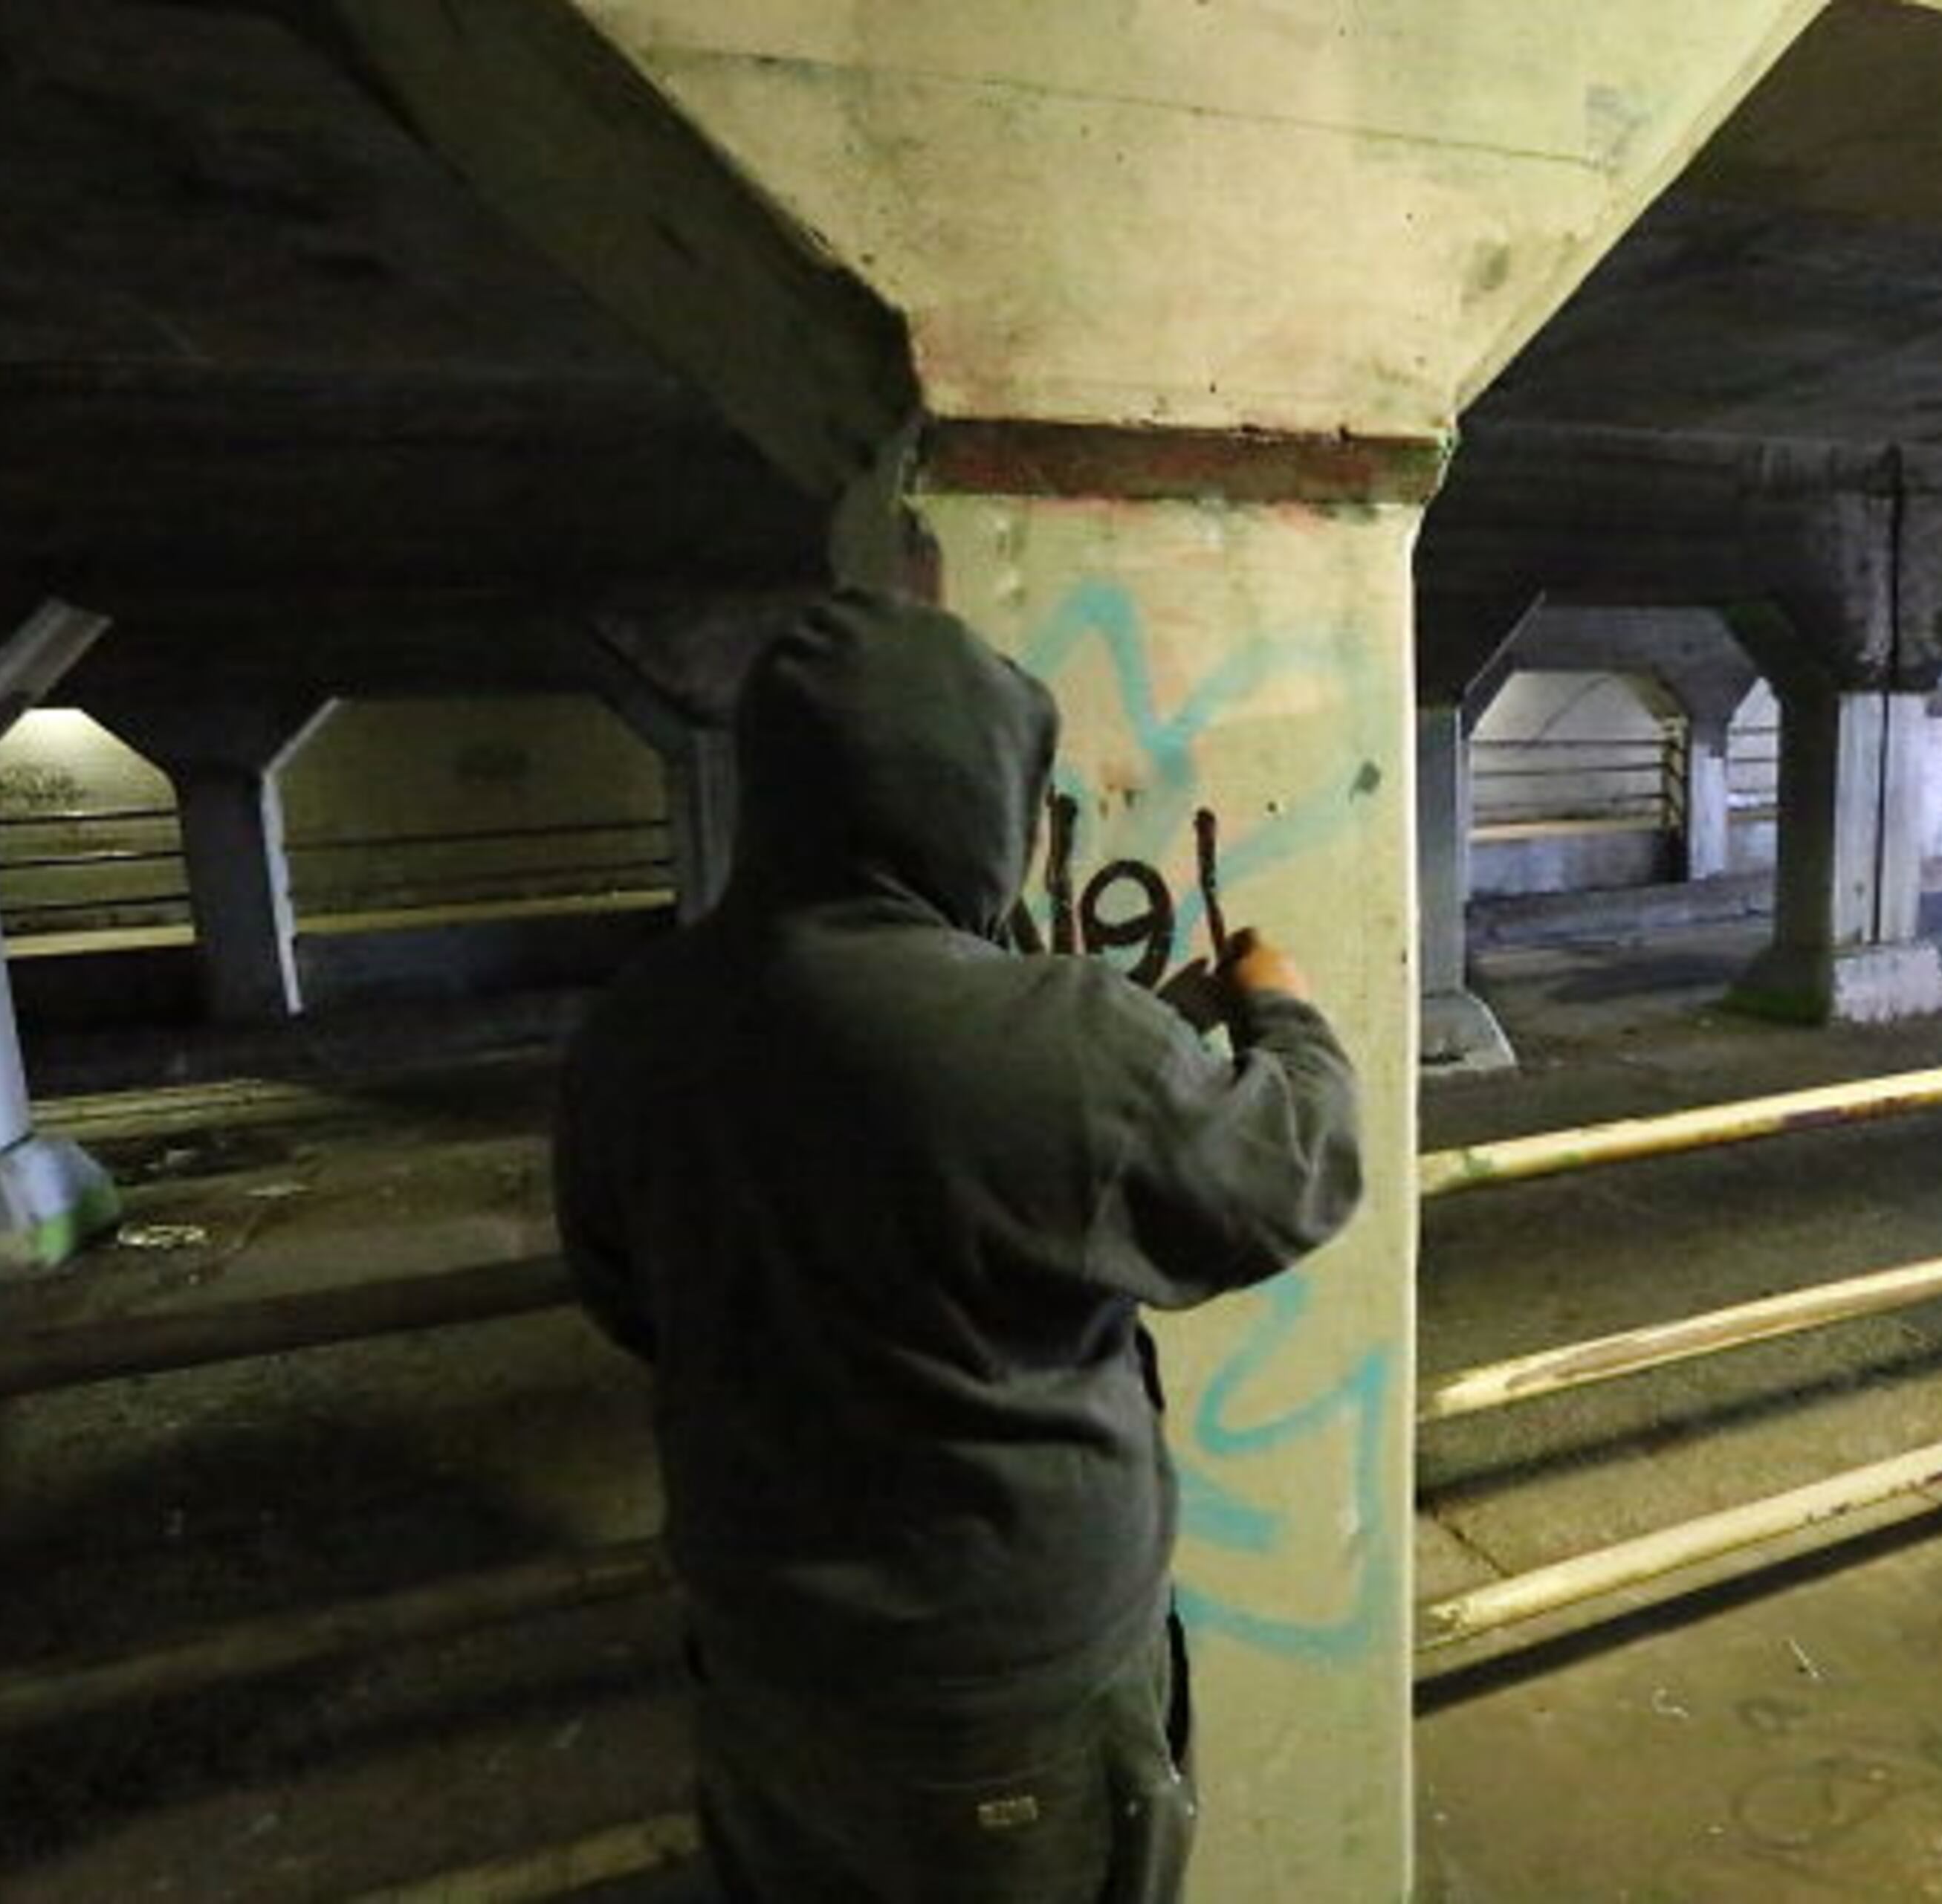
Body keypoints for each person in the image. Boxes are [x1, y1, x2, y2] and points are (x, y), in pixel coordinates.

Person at [553, 588, 1363, 1902]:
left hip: (762, 1635)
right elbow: (1295, 1177)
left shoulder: (637, 1025)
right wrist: (1285, 1017)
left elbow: (624, 1290)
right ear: (976, 794)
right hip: (999, 1662)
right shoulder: (1067, 1035)